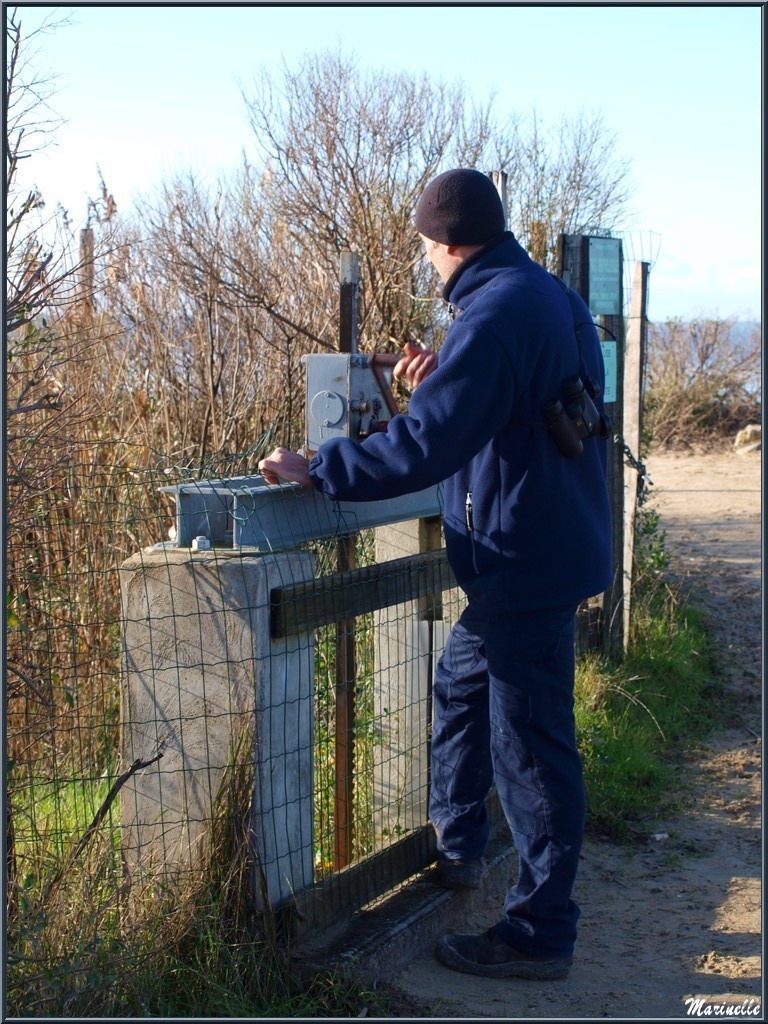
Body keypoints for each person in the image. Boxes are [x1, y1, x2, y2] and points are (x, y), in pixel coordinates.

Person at [259, 168, 612, 980]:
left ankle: (539, 933)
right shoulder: (546, 297)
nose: (425, 260)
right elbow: (508, 411)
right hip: (543, 549)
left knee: (533, 750)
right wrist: (438, 382)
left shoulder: (490, 320)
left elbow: (426, 448)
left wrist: (320, 466)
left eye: (425, 246)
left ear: (448, 242)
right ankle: (460, 846)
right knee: (459, 684)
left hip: (522, 561)